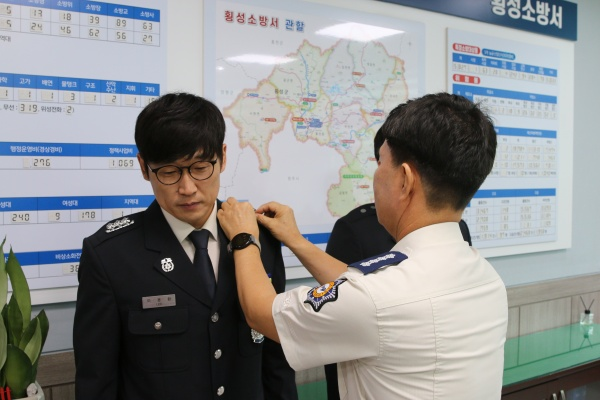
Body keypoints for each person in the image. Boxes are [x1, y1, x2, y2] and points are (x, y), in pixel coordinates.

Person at [217, 92, 508, 399]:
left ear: (405, 180)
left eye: (381, 162)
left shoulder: (378, 299)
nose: (376, 175)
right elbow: (365, 290)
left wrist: (244, 238)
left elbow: (261, 312)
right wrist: (296, 241)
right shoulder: (484, 277)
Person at [73, 92, 298, 400]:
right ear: (144, 167)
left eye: (201, 167)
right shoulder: (110, 256)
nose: (188, 188)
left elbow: (276, 362)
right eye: (169, 172)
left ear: (223, 157)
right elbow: (96, 382)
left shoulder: (260, 239)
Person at [324, 202, 472, 400]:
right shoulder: (357, 229)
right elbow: (338, 312)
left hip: (443, 374)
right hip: (378, 382)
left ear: (405, 184)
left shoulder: (457, 227)